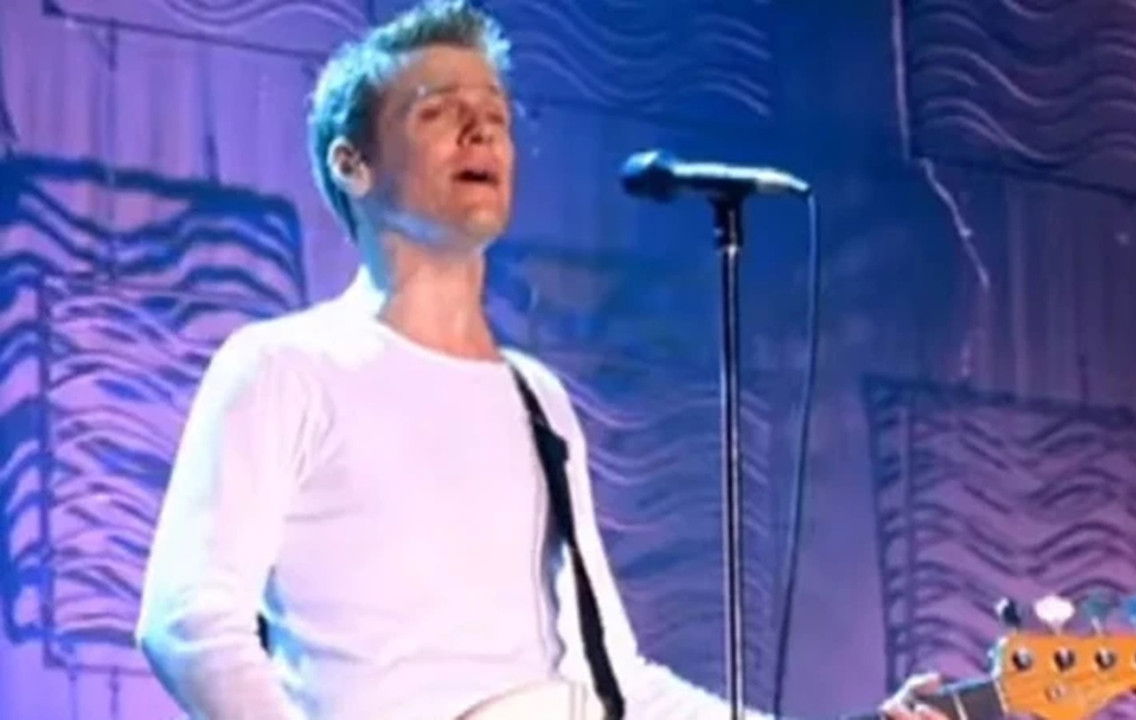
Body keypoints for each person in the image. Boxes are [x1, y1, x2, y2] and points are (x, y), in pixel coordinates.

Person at [135, 2, 944, 718]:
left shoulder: (538, 400)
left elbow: (616, 679)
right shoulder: (286, 367)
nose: (481, 131)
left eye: (495, 113)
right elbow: (188, 621)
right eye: (438, 111)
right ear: (354, 164)